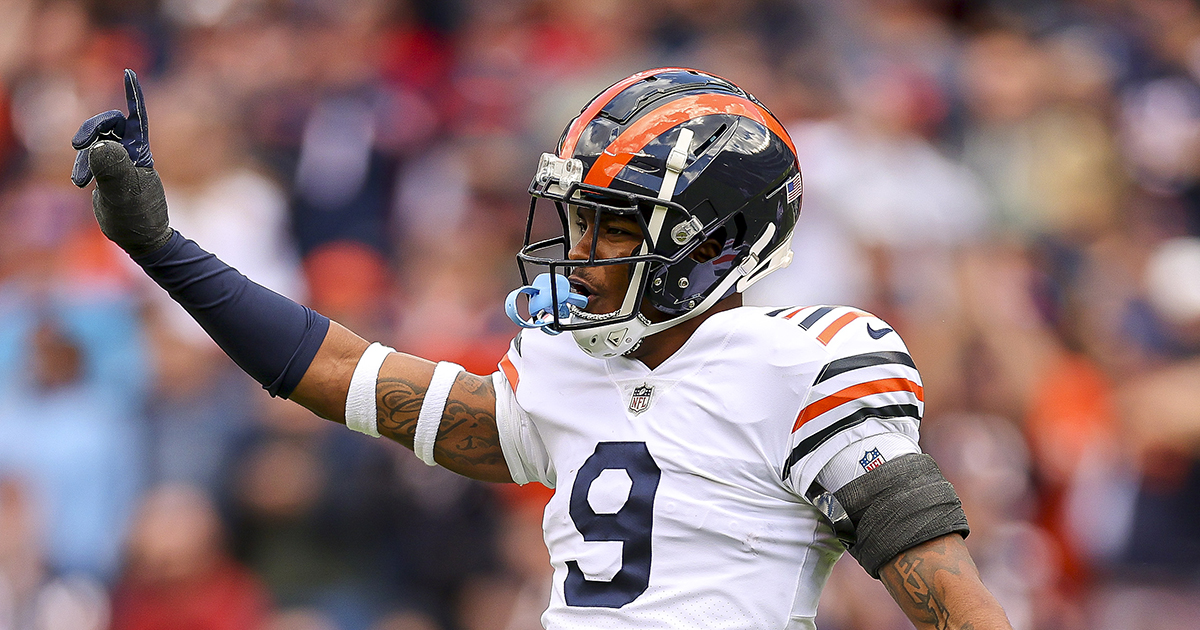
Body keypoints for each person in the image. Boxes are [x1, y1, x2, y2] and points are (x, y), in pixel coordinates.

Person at [72, 68, 1013, 630]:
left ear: (719, 240)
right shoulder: (563, 368)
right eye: (578, 220)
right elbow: (340, 374)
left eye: (615, 227)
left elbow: (953, 601)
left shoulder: (804, 360)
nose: (583, 252)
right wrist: (163, 249)